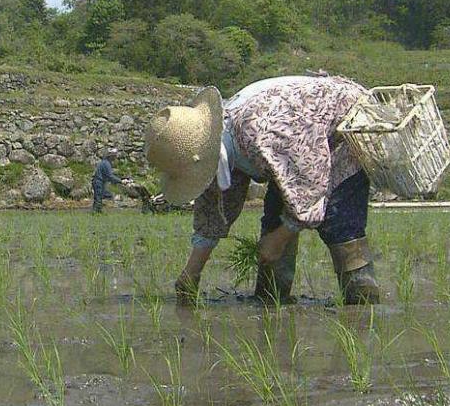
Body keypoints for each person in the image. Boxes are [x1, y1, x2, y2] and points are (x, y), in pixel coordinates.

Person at [144, 75, 381, 305]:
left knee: (339, 223)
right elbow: (215, 208)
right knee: (274, 220)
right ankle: (272, 301)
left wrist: (279, 239)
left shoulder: (263, 130)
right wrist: (191, 273)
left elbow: (310, 187)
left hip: (347, 126)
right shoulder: (218, 145)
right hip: (296, 147)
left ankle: (361, 305)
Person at [91, 148, 124, 213]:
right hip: (99, 182)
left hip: (98, 182)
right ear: (111, 156)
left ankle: (96, 212)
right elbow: (110, 176)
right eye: (114, 156)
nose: (115, 157)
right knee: (98, 199)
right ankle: (96, 212)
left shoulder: (104, 162)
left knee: (98, 198)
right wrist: (121, 181)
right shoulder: (106, 164)